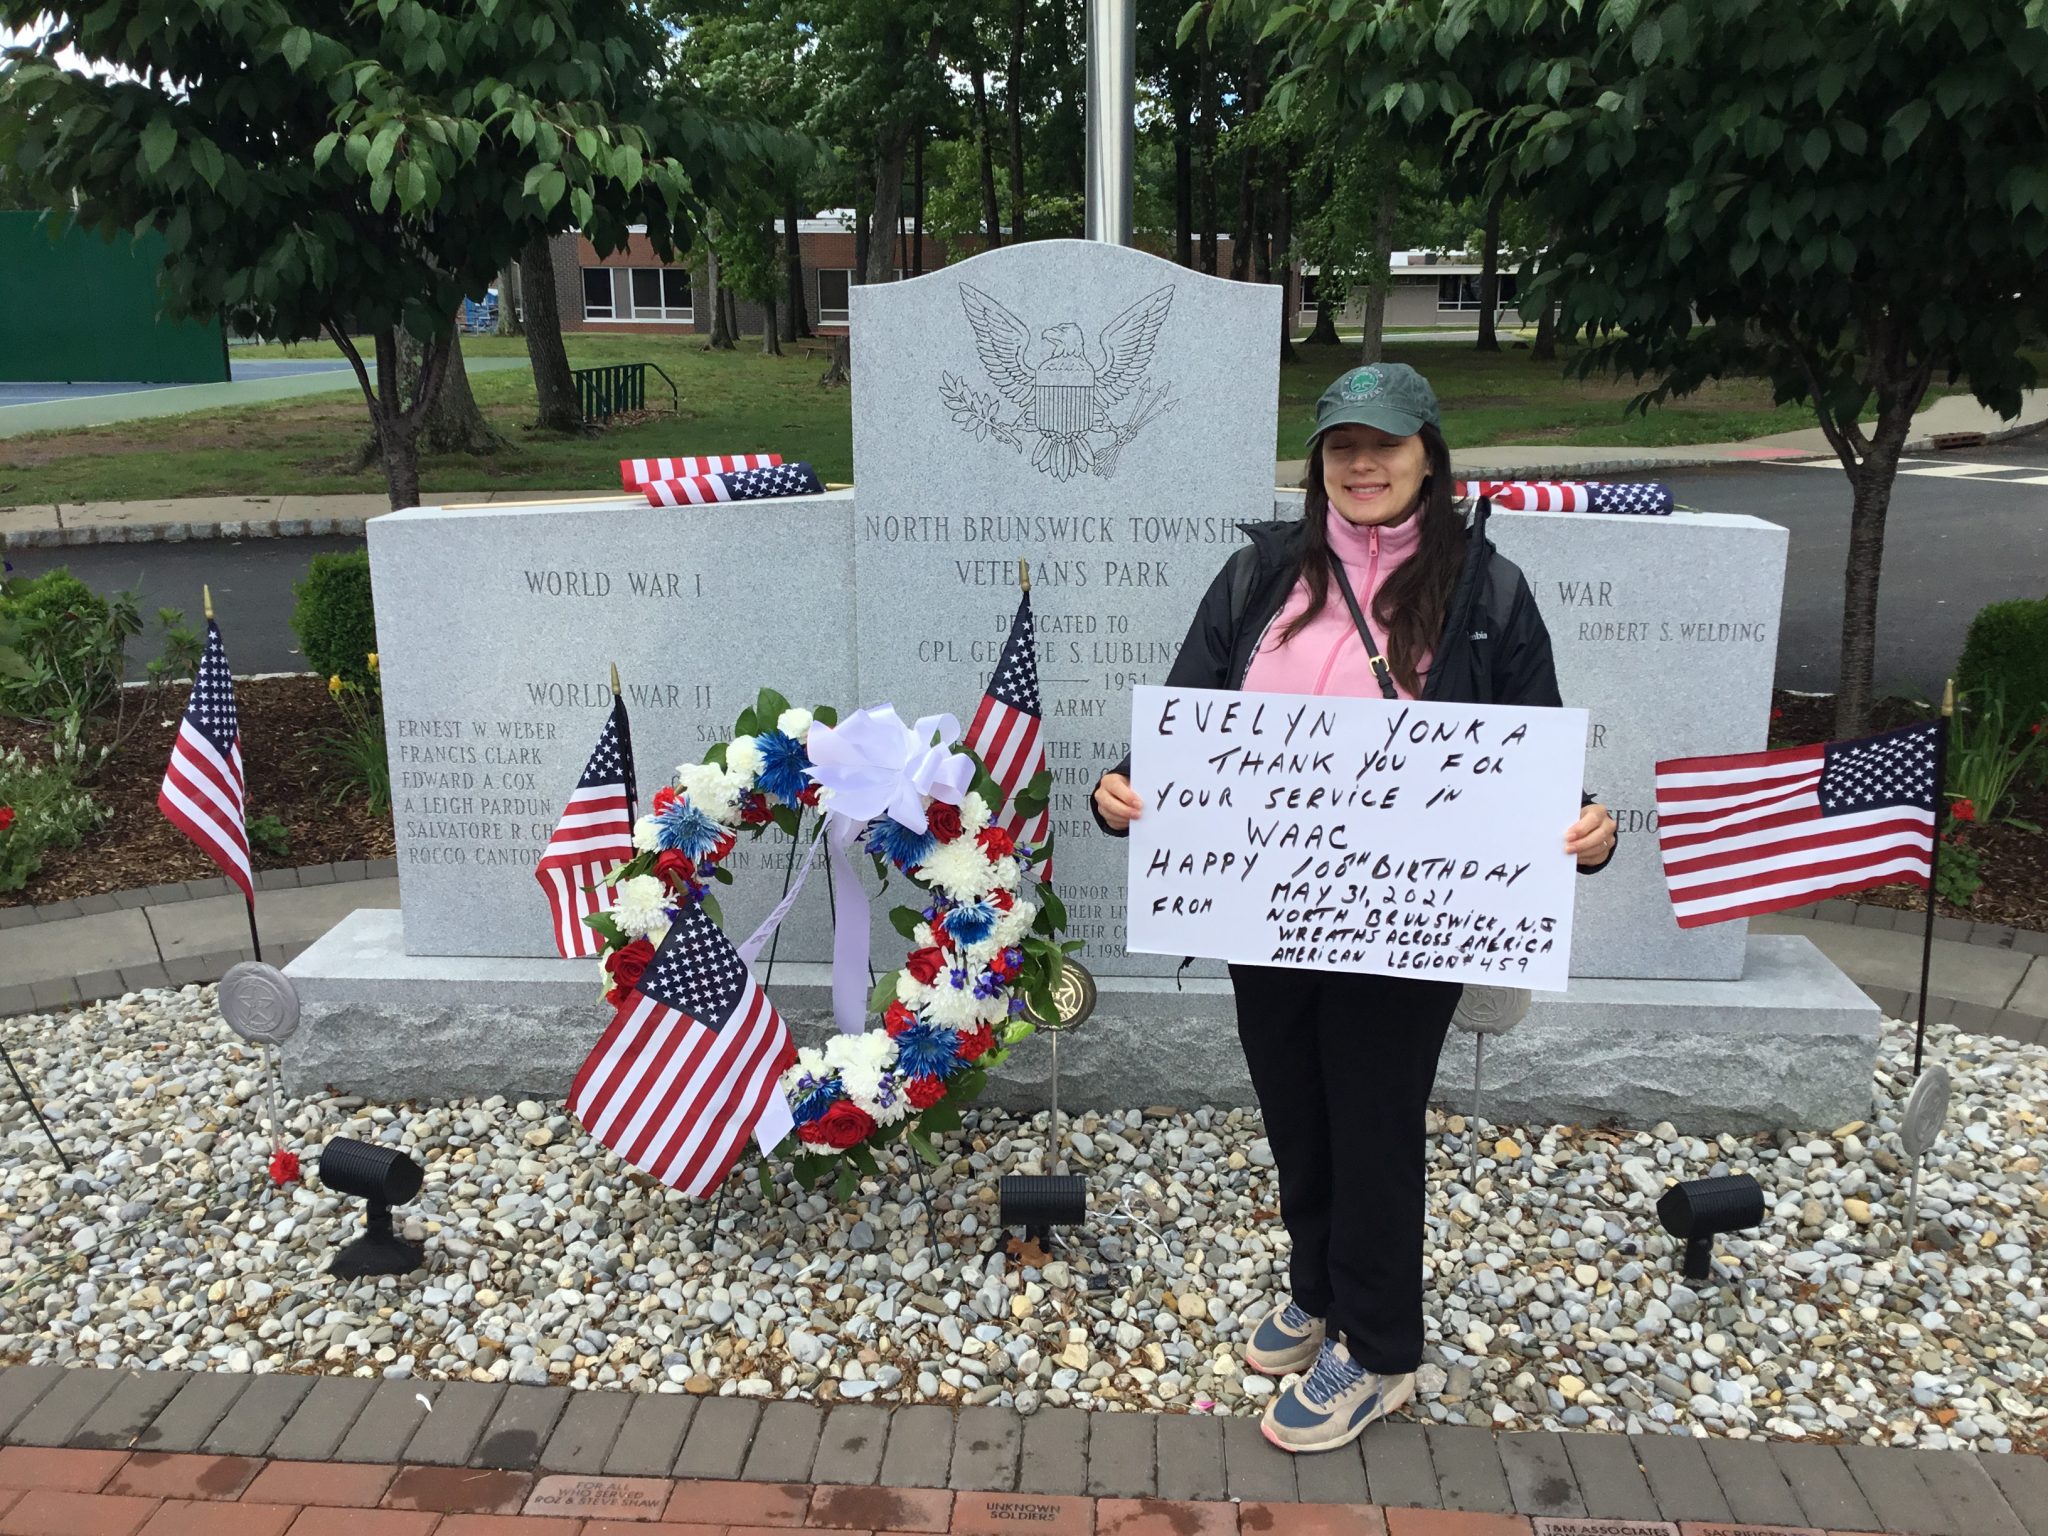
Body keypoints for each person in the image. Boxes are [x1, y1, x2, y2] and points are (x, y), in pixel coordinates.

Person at [1090, 362, 1618, 1455]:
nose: (1361, 465)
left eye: (1383, 444)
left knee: (1371, 1123)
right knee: (1294, 1106)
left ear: (1429, 452)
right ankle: (1318, 1282)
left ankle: (1379, 1350)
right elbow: (1189, 715)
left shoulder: (1484, 592)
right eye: (1340, 447)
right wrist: (1122, 789)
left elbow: (1530, 750)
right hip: (1264, 910)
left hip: (1403, 922)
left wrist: (1584, 829)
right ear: (1318, 462)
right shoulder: (1258, 579)